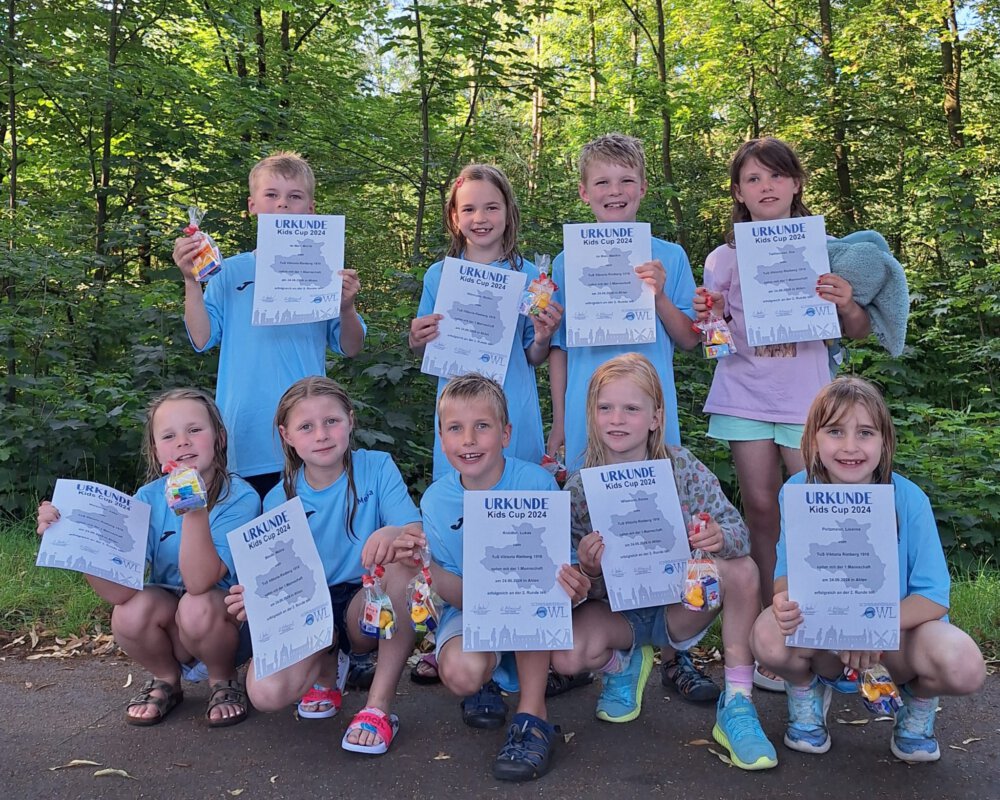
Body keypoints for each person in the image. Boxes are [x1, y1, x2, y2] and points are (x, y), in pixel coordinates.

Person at [693, 137, 871, 690]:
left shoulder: (825, 251)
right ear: (739, 194)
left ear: (796, 184)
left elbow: (859, 332)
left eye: (775, 176)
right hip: (744, 396)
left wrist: (845, 301)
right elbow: (713, 347)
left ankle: (841, 633)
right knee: (763, 511)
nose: (765, 186)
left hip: (808, 401)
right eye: (752, 179)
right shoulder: (722, 259)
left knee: (823, 512)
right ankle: (778, 632)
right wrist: (712, 318)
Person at [547, 132, 714, 702]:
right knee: (599, 534)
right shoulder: (568, 261)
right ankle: (623, 648)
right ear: (583, 193)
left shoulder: (669, 256)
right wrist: (558, 424)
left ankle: (677, 652)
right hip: (587, 419)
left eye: (625, 181)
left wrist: (661, 295)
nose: (614, 191)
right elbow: (560, 348)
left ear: (642, 188)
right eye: (602, 182)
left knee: (661, 525)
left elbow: (691, 341)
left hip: (649, 420)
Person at [550, 354, 777, 771]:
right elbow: (578, 590)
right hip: (620, 616)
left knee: (742, 570)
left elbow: (740, 534)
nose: (617, 419)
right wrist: (588, 568)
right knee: (564, 656)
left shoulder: (683, 468)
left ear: (656, 417)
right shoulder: (581, 487)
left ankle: (739, 703)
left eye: (631, 409)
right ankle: (626, 663)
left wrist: (719, 537)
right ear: (592, 416)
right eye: (605, 408)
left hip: (680, 606)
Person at [750, 376, 986, 763]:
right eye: (835, 431)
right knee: (768, 635)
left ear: (884, 442)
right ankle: (806, 689)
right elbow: (786, 573)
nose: (850, 446)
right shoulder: (797, 489)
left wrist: (872, 628)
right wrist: (782, 600)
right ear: (812, 440)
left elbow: (932, 598)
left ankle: (917, 705)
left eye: (865, 433)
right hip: (827, 640)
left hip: (893, 643)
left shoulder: (909, 498)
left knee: (964, 665)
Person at [37, 389, 260, 727]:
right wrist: (75, 542)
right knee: (128, 613)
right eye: (169, 436)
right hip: (169, 623)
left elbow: (200, 581)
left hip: (224, 625)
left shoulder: (239, 496)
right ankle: (166, 679)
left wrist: (192, 509)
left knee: (196, 604)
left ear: (220, 438)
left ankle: (223, 679)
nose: (183, 442)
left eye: (195, 430)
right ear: (157, 452)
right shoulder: (147, 497)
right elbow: (119, 593)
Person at [224, 377, 423, 755]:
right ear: (287, 436)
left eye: (331, 421)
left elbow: (415, 534)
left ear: (350, 420)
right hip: (309, 610)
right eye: (306, 426)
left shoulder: (377, 467)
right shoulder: (278, 498)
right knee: (266, 693)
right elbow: (271, 579)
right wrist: (255, 602)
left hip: (365, 604)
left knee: (404, 566)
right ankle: (325, 672)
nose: (321, 435)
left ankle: (378, 708)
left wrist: (394, 532)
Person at [419, 373, 588, 781]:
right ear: (442, 440)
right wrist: (423, 566)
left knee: (530, 592)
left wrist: (576, 584)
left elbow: (563, 571)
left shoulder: (538, 484)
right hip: (470, 607)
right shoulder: (436, 501)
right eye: (456, 429)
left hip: (531, 607)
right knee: (460, 671)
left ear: (506, 433)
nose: (469, 440)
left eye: (482, 426)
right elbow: (452, 591)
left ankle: (533, 716)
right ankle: (486, 680)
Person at [173, 151, 365, 499]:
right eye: (271, 195)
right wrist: (191, 282)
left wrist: (347, 305)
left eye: (295, 197)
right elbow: (201, 339)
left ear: (310, 208)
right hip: (243, 434)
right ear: (252, 205)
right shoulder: (227, 271)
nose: (282, 205)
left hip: (309, 433)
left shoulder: (325, 271)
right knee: (246, 540)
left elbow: (352, 347)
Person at [408, 164, 562, 481]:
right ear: (454, 217)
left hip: (512, 409)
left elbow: (533, 356)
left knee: (519, 500)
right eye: (469, 209)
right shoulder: (439, 276)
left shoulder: (533, 277)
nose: (481, 218)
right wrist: (417, 339)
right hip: (459, 416)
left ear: (508, 213)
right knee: (460, 503)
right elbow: (426, 353)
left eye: (492, 207)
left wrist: (543, 338)